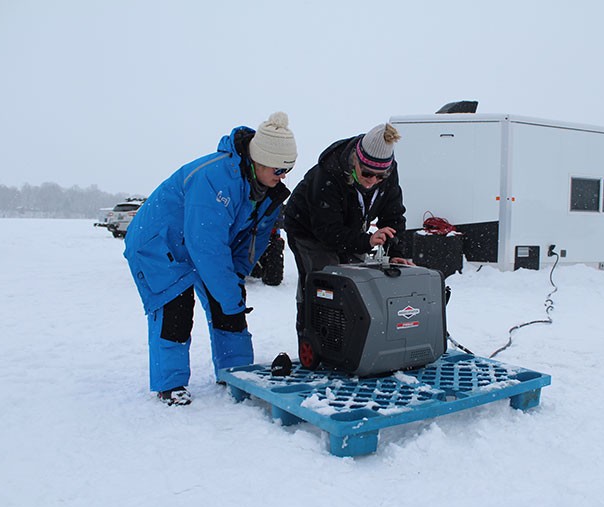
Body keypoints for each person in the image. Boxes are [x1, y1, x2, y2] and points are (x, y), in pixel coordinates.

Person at [124, 112, 296, 405]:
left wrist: (235, 281)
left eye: (288, 169)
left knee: (229, 301)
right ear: (260, 160)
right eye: (279, 169)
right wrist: (228, 291)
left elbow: (250, 242)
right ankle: (171, 384)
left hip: (201, 245)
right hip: (159, 245)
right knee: (176, 310)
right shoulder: (215, 177)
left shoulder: (267, 194)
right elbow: (206, 245)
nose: (283, 177)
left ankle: (236, 373)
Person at [283, 122, 412, 337]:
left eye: (380, 177)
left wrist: (396, 253)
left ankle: (350, 341)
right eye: (368, 174)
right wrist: (367, 241)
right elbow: (327, 231)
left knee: (356, 283)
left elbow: (393, 215)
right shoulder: (328, 174)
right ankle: (313, 339)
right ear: (356, 161)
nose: (373, 182)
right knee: (325, 284)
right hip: (308, 230)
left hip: (348, 227)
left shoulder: (387, 173)